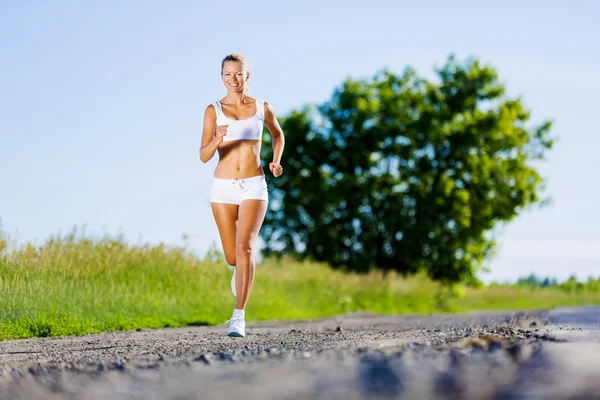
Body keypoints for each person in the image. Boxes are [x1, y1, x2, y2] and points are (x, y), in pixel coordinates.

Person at [199, 53, 285, 337]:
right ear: (221, 77)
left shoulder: (262, 107)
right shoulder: (214, 110)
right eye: (227, 74)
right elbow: (203, 155)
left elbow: (277, 135)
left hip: (254, 185)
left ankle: (239, 315)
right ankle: (240, 272)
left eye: (238, 74)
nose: (232, 80)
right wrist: (216, 140)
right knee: (233, 257)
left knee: (245, 247)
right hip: (222, 188)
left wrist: (275, 159)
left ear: (247, 76)